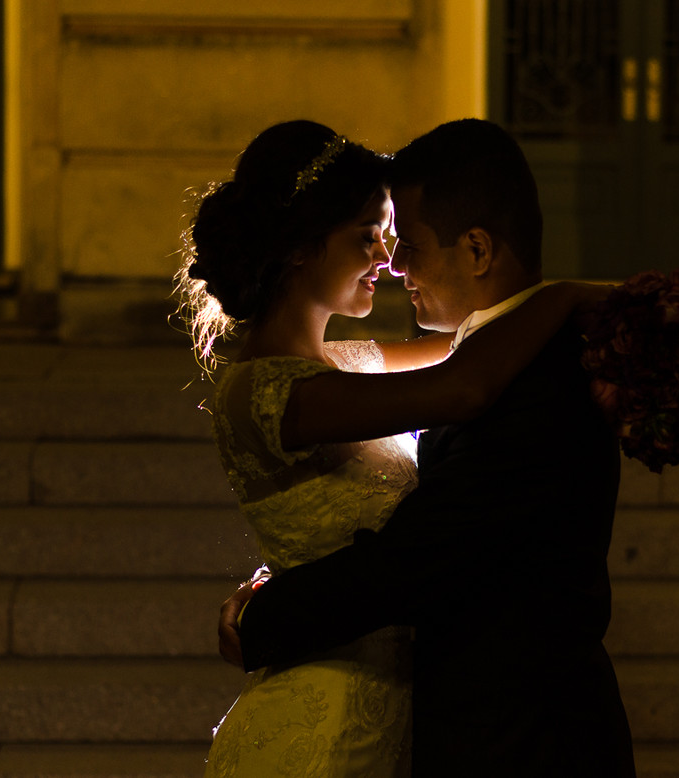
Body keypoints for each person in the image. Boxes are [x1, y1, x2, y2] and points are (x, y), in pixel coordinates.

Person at [175, 120, 605, 777]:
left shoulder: (349, 364)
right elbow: (463, 386)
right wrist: (570, 294)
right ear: (300, 247)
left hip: (400, 708)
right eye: (368, 235)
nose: (387, 256)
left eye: (396, 236)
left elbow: (471, 341)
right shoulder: (263, 391)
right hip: (324, 718)